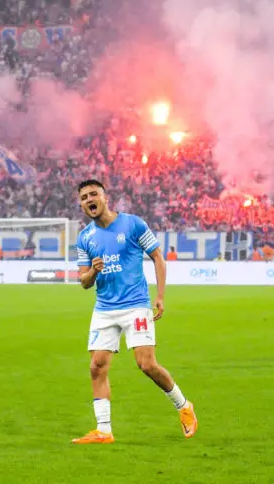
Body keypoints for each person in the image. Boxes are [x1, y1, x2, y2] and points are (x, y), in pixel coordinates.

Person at [72, 179, 197, 444]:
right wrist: (93, 270)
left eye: (93, 194)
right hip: (104, 308)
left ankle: (184, 406)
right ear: (81, 205)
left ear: (105, 198)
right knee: (97, 366)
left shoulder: (132, 224)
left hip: (136, 304)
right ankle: (103, 431)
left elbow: (158, 257)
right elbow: (84, 281)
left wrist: (160, 295)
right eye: (84, 197)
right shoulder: (84, 238)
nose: (89, 200)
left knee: (146, 364)